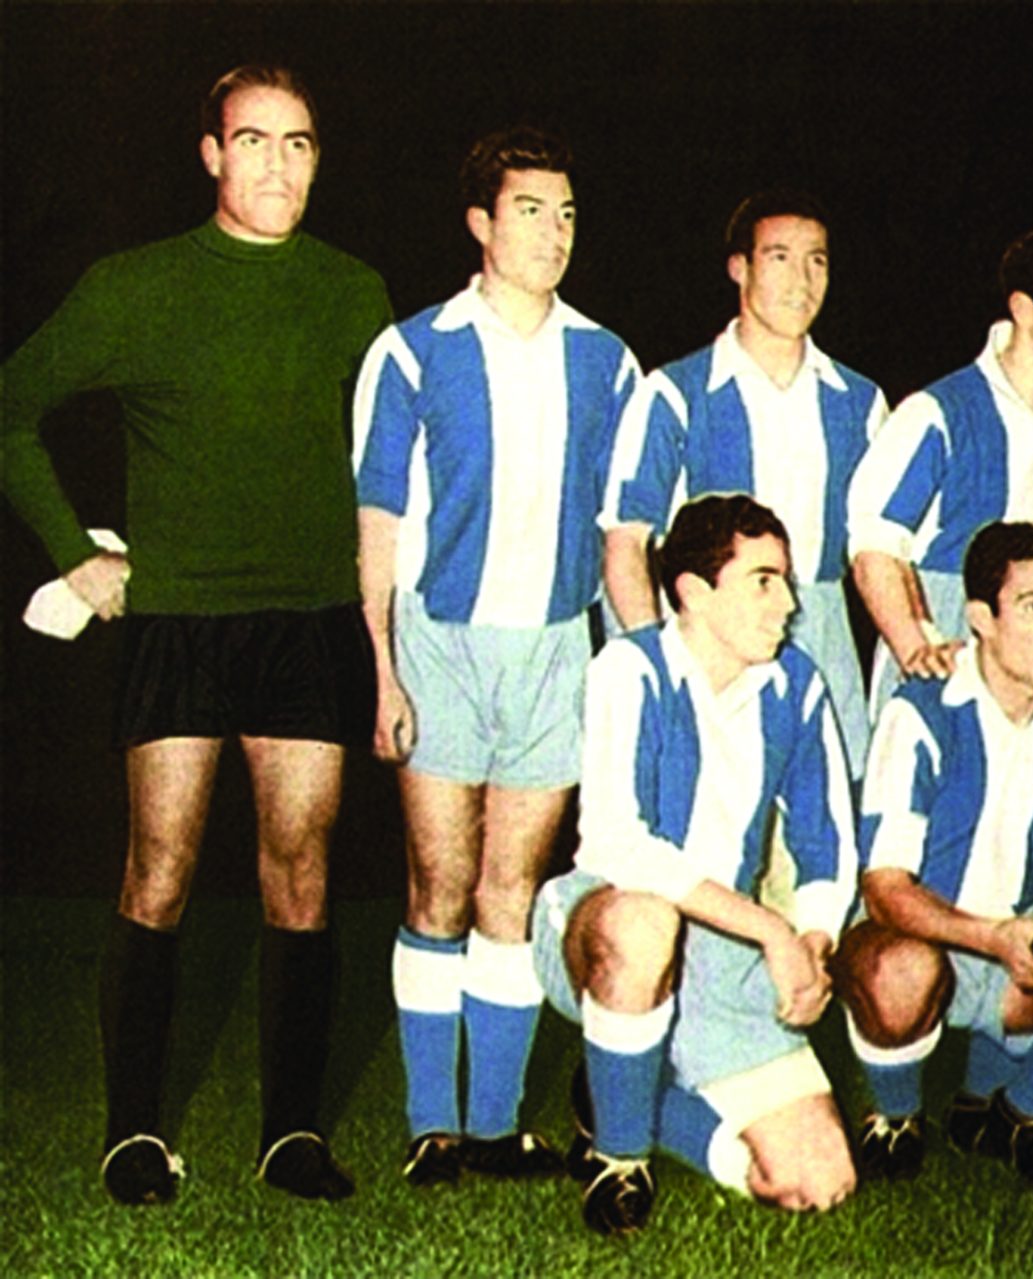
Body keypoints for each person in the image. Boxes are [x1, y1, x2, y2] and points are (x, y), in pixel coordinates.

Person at [0, 65, 391, 1205]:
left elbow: (396, 465)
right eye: (254, 141)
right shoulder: (134, 287)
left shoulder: (353, 290)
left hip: (310, 620)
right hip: (178, 621)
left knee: (302, 873)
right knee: (159, 869)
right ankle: (133, 1131)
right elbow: (10, 408)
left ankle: (294, 1135)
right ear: (211, 155)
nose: (278, 164)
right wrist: (77, 551)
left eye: (301, 143)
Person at [354, 127, 644, 1186]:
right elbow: (380, 522)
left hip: (555, 649)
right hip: (441, 645)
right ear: (480, 223)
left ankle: (492, 1124)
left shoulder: (608, 361)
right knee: (440, 882)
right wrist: (382, 666)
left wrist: (636, 663)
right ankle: (431, 1123)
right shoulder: (413, 350)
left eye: (567, 213)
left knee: (511, 890)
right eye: (531, 210)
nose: (554, 233)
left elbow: (623, 534)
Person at [530, 495, 859, 1236]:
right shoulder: (630, 667)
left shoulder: (797, 684)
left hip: (726, 947)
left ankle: (614, 1090)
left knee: (818, 1179)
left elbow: (827, 843)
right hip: (604, 915)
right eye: (764, 581)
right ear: (692, 590)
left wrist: (809, 942)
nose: (788, 603)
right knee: (645, 922)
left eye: (786, 581)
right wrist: (770, 931)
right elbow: (617, 841)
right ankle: (620, 1157)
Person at [833, 522, 1033, 1191]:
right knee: (900, 971)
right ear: (980, 617)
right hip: (929, 934)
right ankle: (895, 1114)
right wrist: (989, 937)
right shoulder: (921, 706)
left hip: (1024, 933)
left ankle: (1022, 1112)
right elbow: (885, 888)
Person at [603, 190, 885, 775]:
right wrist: (665, 667)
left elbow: (880, 550)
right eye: (780, 257)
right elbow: (626, 544)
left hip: (822, 635)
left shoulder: (860, 403)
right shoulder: (675, 393)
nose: (801, 279)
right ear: (741, 267)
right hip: (711, 642)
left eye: (818, 260)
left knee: (827, 844)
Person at [847, 226, 1033, 718]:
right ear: (1022, 308)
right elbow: (875, 547)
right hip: (946, 622)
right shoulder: (937, 413)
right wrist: (917, 647)